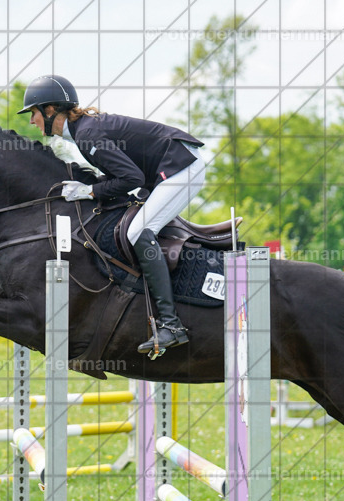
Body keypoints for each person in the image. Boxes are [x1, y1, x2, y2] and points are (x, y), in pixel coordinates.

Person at [18, 74, 206, 357]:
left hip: (181, 167)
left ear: (49, 110)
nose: (31, 121)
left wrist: (89, 192)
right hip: (168, 168)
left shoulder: (87, 134)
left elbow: (130, 178)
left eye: (33, 113)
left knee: (138, 233)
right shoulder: (83, 132)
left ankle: (171, 325)